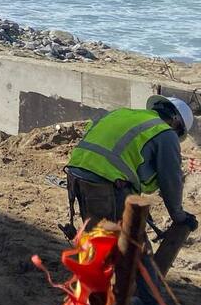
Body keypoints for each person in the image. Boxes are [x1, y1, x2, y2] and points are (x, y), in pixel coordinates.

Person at [66, 96, 197, 250]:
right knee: (133, 251)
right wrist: (179, 216)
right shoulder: (164, 132)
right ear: (176, 122)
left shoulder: (120, 113)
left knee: (99, 239)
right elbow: (171, 180)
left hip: (76, 175)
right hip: (106, 182)